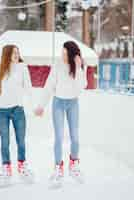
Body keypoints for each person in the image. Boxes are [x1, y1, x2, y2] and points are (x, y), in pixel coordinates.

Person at [34, 41, 87, 184]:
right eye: (61, 52)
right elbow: (49, 86)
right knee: (58, 137)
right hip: (58, 103)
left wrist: (78, 67)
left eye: (65, 53)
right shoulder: (57, 66)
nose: (62, 55)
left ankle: (74, 164)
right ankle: (58, 167)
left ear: (71, 53)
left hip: (73, 103)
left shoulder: (79, 67)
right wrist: (41, 105)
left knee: (75, 138)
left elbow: (81, 87)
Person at [0, 44, 34, 184]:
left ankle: (22, 167)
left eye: (17, 52)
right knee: (5, 142)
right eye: (14, 52)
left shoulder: (22, 68)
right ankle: (6, 169)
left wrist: (34, 106)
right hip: (2, 112)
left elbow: (28, 88)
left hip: (18, 110)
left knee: (21, 141)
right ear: (7, 54)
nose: (16, 55)